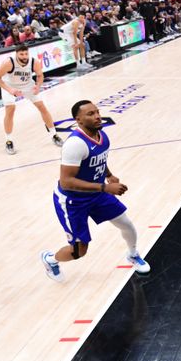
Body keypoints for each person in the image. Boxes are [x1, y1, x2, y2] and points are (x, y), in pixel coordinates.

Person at [40, 100, 150, 282]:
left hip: (97, 193)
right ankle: (50, 259)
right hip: (72, 200)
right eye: (90, 114)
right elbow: (66, 182)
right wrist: (105, 187)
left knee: (126, 224)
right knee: (79, 251)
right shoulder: (75, 144)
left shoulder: (102, 136)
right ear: (78, 120)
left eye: (97, 112)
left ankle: (132, 254)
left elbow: (98, 158)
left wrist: (109, 175)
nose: (97, 116)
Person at [0, 44, 63, 155]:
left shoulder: (34, 62)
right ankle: (8, 140)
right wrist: (10, 90)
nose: (24, 56)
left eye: (26, 54)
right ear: (16, 54)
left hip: (28, 85)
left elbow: (40, 75)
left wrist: (38, 86)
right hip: (10, 86)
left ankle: (54, 135)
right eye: (21, 54)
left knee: (42, 107)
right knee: (10, 109)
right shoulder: (9, 62)